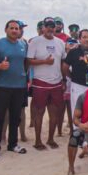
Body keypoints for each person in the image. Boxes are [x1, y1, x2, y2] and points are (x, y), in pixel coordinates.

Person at [0, 20, 29, 160]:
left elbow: (25, 63)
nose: (15, 30)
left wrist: (25, 76)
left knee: (15, 118)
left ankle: (13, 144)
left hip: (19, 86)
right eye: (12, 28)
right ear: (6, 29)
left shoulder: (24, 44)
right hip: (2, 86)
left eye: (17, 28)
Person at [26, 17, 66, 151]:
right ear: (43, 27)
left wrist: (64, 80)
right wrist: (44, 62)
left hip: (56, 82)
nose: (50, 28)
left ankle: (51, 139)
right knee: (39, 112)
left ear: (55, 28)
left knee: (54, 112)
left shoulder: (60, 42)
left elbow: (62, 63)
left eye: (52, 26)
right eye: (47, 25)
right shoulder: (35, 42)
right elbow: (28, 61)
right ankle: (38, 141)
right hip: (40, 82)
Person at [64, 29, 88, 119]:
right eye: (84, 37)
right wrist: (71, 76)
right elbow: (64, 67)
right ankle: (77, 131)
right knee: (77, 109)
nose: (87, 39)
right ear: (79, 39)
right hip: (77, 84)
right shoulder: (73, 51)